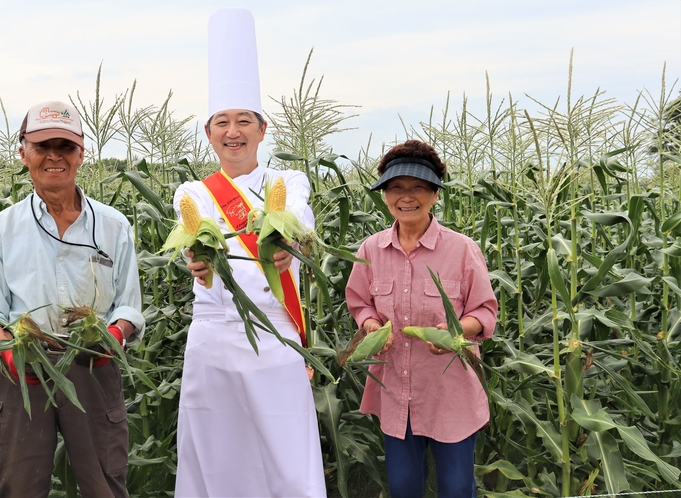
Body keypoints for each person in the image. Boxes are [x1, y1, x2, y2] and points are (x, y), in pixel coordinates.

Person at [172, 8, 327, 498]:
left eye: (244, 121)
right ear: (209, 132)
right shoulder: (192, 192)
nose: (233, 131)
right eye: (223, 122)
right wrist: (195, 265)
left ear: (263, 130)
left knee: (286, 455)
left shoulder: (288, 182)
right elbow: (191, 252)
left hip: (273, 334)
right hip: (213, 339)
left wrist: (289, 246)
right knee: (214, 455)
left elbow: (300, 226)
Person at [0, 100, 145, 498]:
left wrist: (116, 334)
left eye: (64, 146)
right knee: (15, 484)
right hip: (23, 370)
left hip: (92, 365)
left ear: (81, 153)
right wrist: (9, 352)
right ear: (23, 153)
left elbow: (129, 304)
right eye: (41, 145)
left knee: (105, 482)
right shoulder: (2, 229)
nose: (54, 156)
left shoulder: (113, 225)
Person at [345, 140, 497, 498]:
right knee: (402, 488)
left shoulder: (462, 249)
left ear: (434, 195)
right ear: (384, 195)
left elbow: (485, 312)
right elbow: (359, 302)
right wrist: (369, 325)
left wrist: (459, 330)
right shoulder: (371, 249)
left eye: (418, 188)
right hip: (397, 393)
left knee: (457, 489)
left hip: (450, 394)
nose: (406, 196)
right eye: (396, 187)